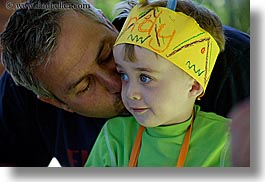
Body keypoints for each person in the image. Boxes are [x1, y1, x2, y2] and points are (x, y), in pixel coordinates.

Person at [0, 0, 249, 166]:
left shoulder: (232, 63)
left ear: (106, 21)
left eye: (108, 55)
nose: (120, 85)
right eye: (85, 86)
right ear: (56, 103)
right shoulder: (19, 95)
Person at [85, 0, 231, 167]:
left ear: (194, 86)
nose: (130, 92)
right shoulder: (114, 137)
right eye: (124, 75)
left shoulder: (229, 140)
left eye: (145, 78)